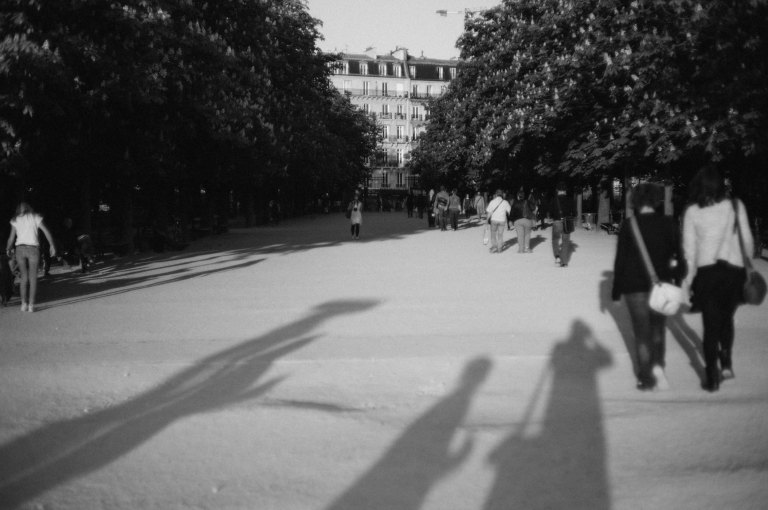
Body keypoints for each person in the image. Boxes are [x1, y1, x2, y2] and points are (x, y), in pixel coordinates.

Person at [681, 165, 754, 392]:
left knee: (710, 324)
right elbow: (748, 240)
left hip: (706, 273)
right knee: (727, 319)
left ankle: (710, 373)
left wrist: (689, 279)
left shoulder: (692, 211)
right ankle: (727, 364)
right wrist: (747, 264)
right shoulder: (734, 206)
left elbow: (689, 250)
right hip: (732, 271)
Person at [611, 183, 687, 391]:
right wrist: (677, 282)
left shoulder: (629, 225)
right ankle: (658, 368)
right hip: (660, 284)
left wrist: (616, 292)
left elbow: (621, 261)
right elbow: (680, 259)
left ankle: (645, 377)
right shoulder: (669, 223)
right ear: (656, 200)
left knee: (641, 333)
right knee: (657, 330)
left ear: (635, 201)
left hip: (633, 287)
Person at [5, 202, 57, 312]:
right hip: (33, 249)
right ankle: (31, 305)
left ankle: (23, 303)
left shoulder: (15, 220)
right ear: (29, 209)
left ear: (18, 210)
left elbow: (11, 238)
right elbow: (46, 231)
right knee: (33, 278)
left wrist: (8, 248)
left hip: (20, 249)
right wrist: (52, 245)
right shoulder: (35, 217)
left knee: (24, 277)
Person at [547, 182, 576, 267]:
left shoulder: (554, 200)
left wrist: (553, 216)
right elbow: (574, 213)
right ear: (565, 190)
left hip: (556, 222)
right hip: (567, 222)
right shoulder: (570, 200)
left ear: (557, 190)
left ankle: (557, 256)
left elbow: (550, 212)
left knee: (555, 240)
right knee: (565, 242)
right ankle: (564, 262)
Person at [485, 189, 512, 253]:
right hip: (502, 220)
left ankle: (494, 246)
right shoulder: (505, 202)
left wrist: (487, 220)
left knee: (493, 234)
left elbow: (489, 212)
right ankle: (499, 248)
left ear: (496, 194)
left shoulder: (492, 201)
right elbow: (509, 211)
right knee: (500, 234)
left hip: (494, 220)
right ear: (502, 194)